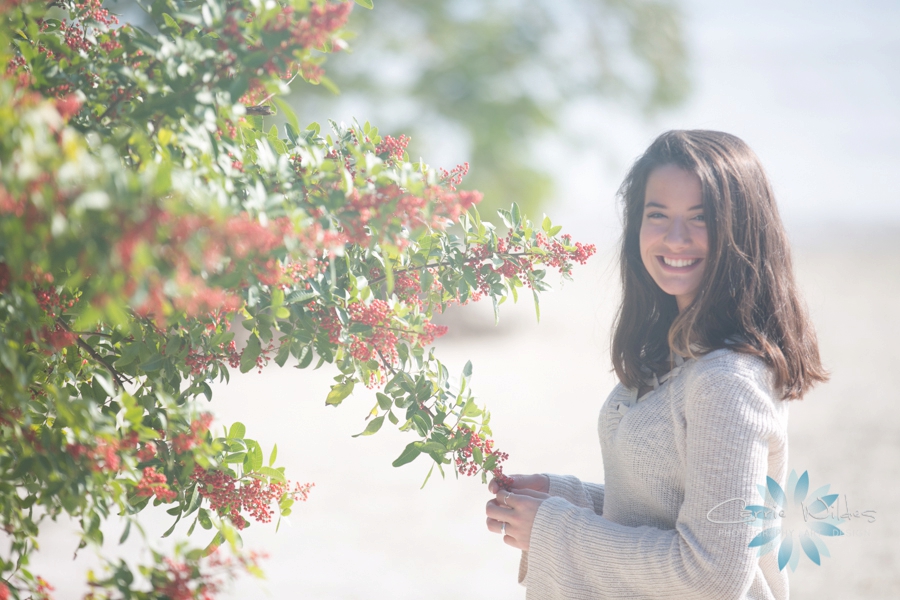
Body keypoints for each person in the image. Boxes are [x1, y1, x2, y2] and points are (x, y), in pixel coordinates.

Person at [484, 130, 829, 599]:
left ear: (742, 229)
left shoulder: (726, 380)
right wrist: (566, 498)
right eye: (657, 215)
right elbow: (664, 512)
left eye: (700, 218)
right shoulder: (678, 356)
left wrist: (554, 530)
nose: (676, 238)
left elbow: (713, 573)